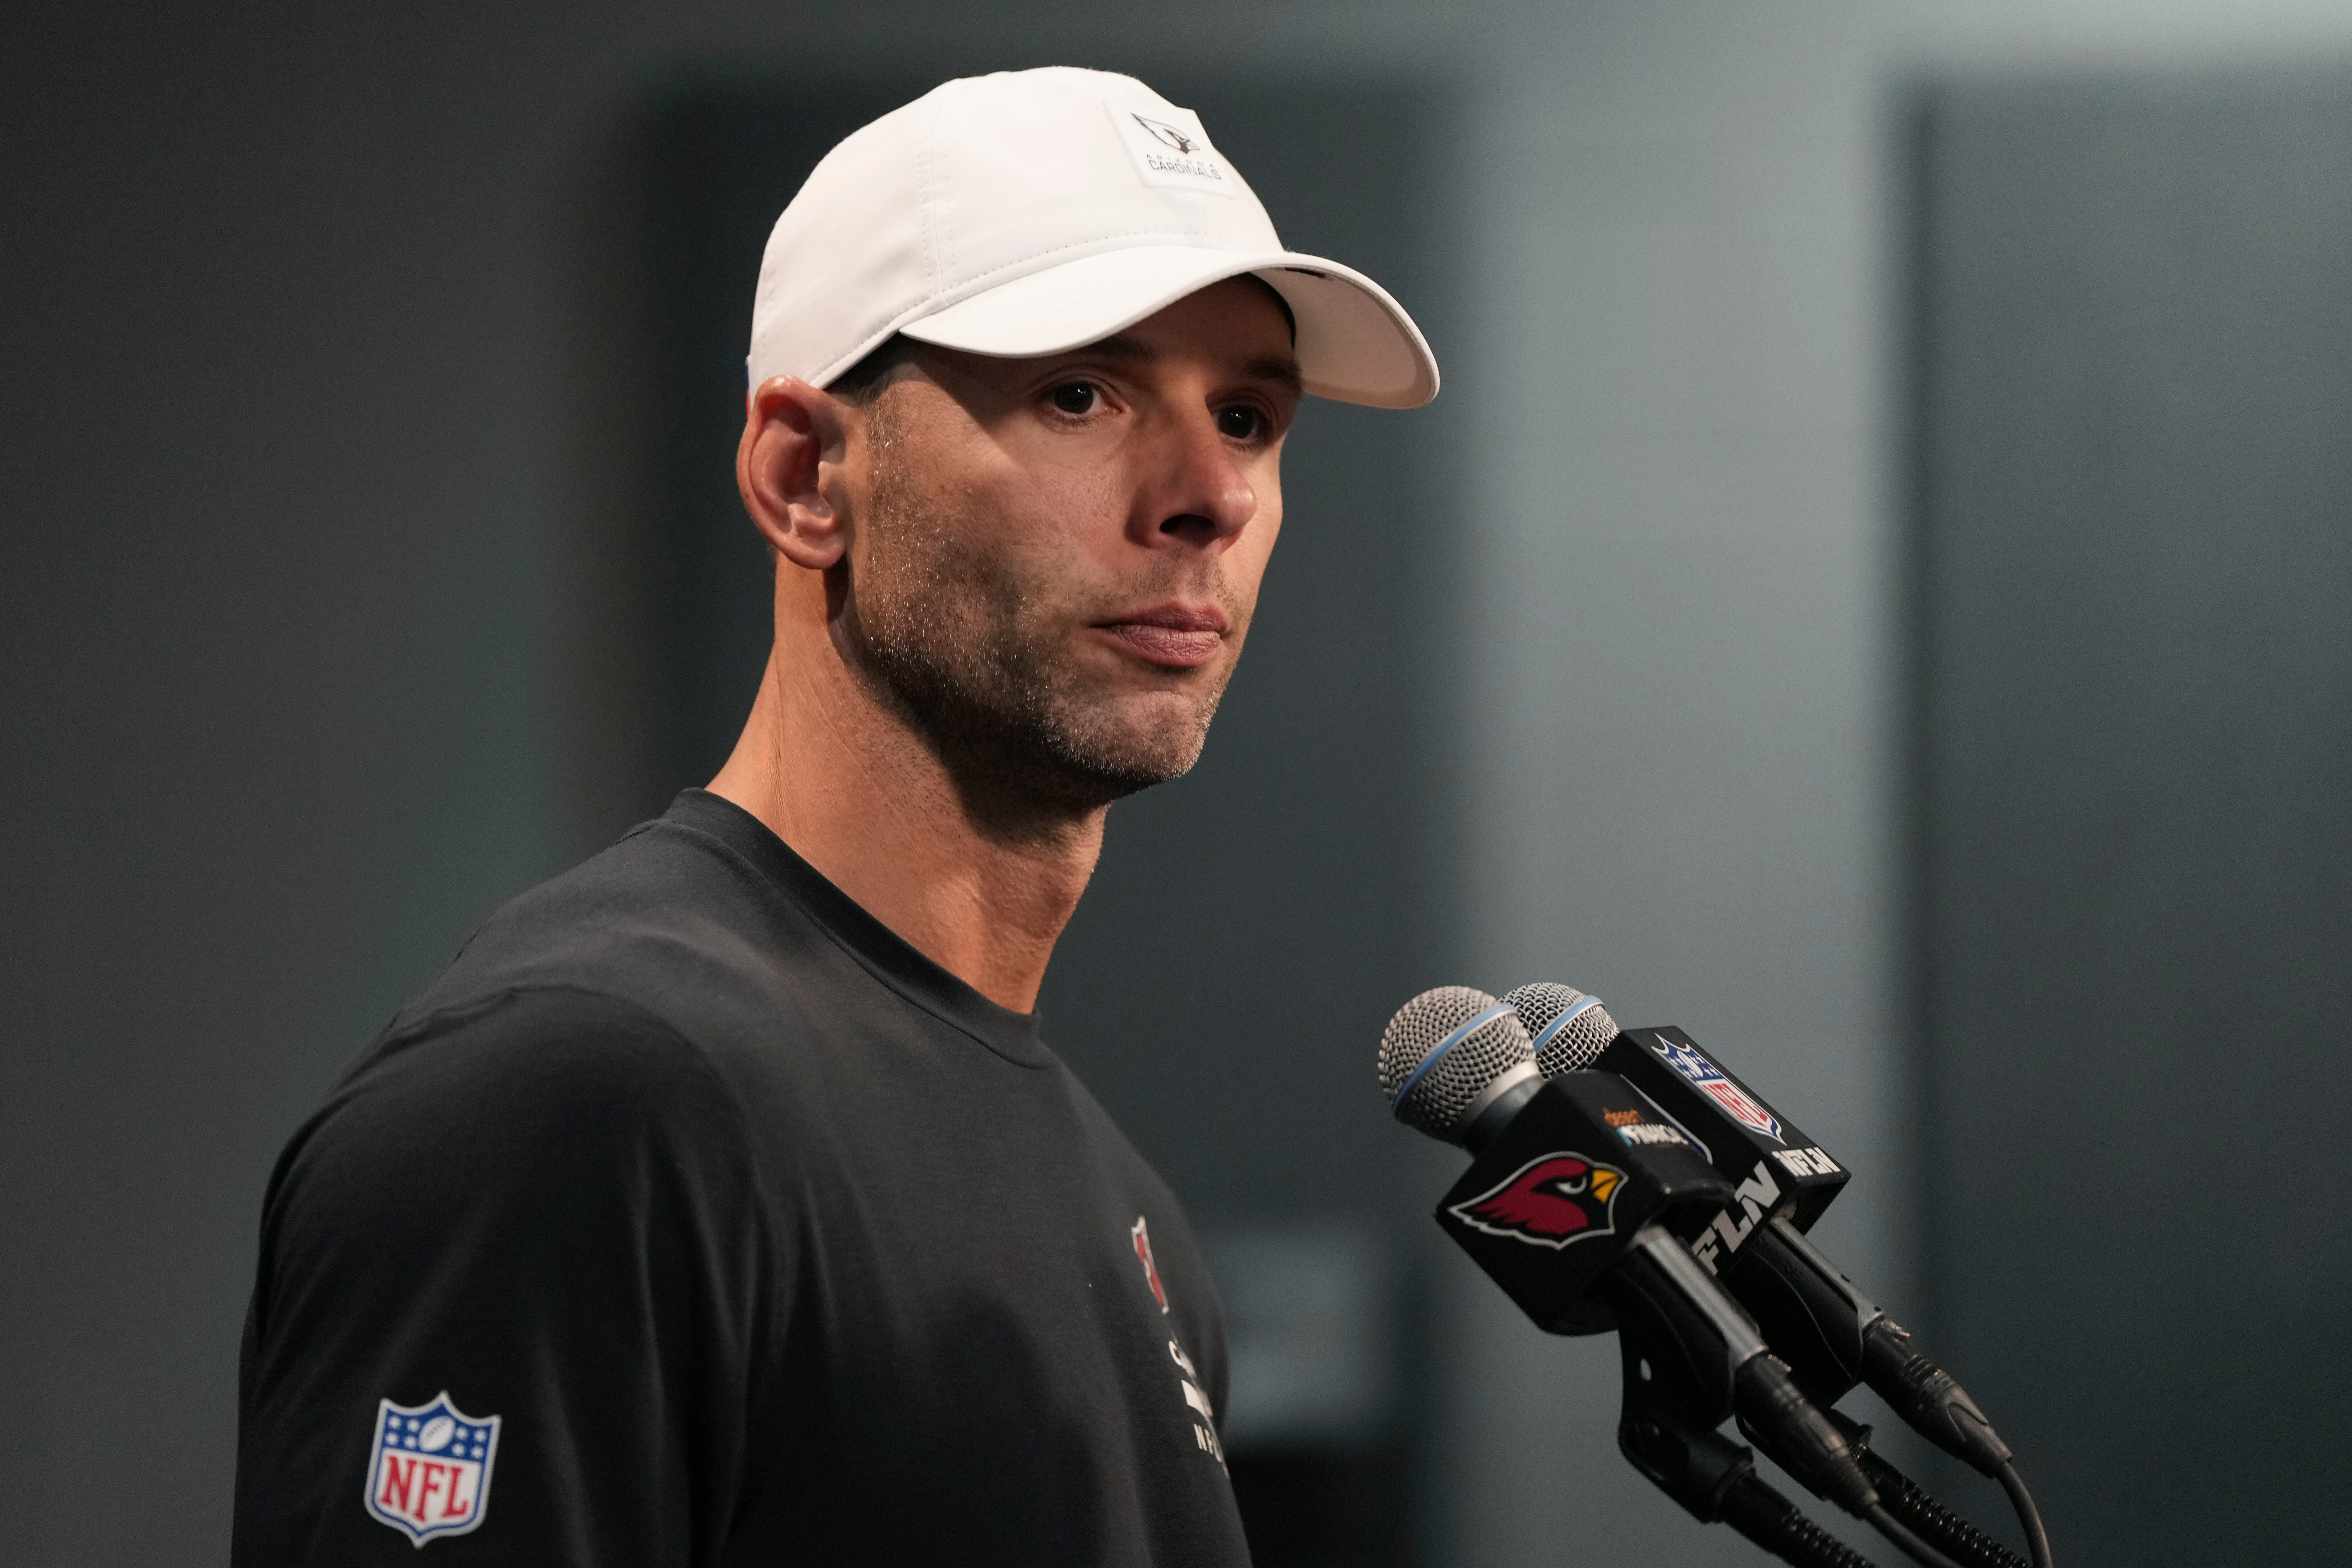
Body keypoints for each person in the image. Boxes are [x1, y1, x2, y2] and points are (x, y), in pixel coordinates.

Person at [231, 65, 1437, 1565]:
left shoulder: (1130, 1221)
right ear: (806, 475)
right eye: (1083, 392)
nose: (1212, 495)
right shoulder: (577, 1095)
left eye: (1251, 415)